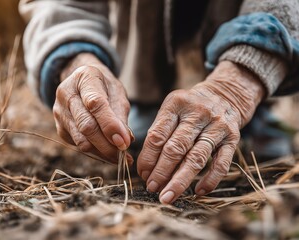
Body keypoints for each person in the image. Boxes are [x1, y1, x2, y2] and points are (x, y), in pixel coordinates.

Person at [19, 0, 299, 204]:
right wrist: (76, 60)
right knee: (137, 142)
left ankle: (258, 114)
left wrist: (236, 87)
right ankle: (146, 111)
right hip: (139, 83)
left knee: (264, 154)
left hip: (254, 81)